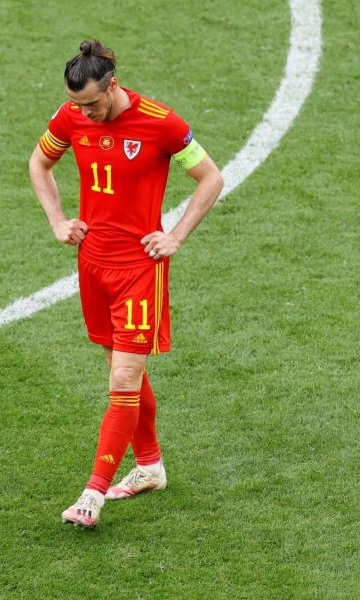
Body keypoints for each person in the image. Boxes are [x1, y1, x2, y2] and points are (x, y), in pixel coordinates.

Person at [28, 40, 224, 528]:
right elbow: (39, 164)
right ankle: (150, 466)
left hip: (139, 269)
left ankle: (92, 494)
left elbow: (211, 178)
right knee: (122, 368)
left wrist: (175, 235)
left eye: (92, 104)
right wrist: (57, 220)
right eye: (78, 105)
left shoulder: (161, 122)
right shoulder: (71, 116)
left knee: (121, 381)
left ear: (112, 85)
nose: (85, 114)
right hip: (92, 264)